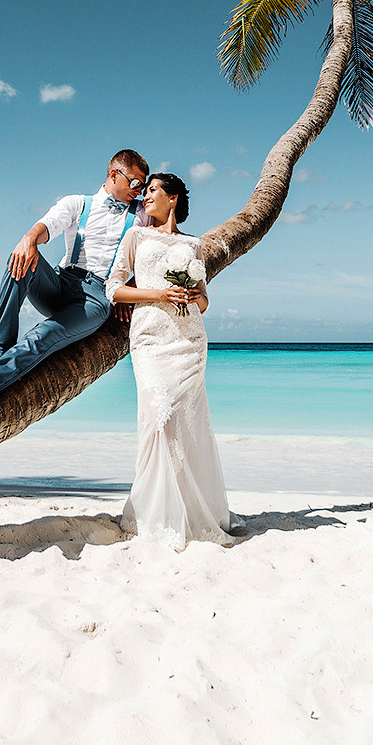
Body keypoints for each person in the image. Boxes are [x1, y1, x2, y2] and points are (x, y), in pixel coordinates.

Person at [0, 149, 150, 404]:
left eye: (143, 184)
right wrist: (29, 239)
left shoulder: (143, 215)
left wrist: (128, 289)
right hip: (61, 281)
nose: (139, 189)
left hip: (95, 299)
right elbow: (48, 225)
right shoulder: (78, 203)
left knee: (42, 335)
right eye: (135, 182)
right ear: (114, 174)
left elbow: (161, 251)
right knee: (19, 257)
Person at [107, 172, 238, 548]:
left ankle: (193, 511)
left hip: (189, 341)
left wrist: (191, 295)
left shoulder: (193, 245)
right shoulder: (137, 237)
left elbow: (205, 300)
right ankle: (154, 512)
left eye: (152, 191)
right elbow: (114, 289)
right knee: (157, 421)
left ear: (174, 198)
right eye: (144, 191)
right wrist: (160, 294)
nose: (144, 196)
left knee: (186, 424)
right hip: (150, 339)